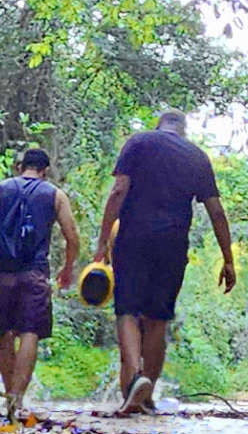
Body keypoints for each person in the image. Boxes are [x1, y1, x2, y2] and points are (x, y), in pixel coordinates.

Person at [92, 109, 236, 415]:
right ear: (183, 130)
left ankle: (136, 378)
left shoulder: (138, 142)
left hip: (133, 239)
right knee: (158, 318)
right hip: (172, 245)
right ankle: (146, 397)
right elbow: (216, 211)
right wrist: (228, 259)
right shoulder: (196, 156)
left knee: (127, 311)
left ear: (159, 125)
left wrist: (103, 240)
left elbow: (118, 191)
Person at [0, 147, 81, 419]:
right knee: (30, 332)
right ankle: (17, 398)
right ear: (45, 171)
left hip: (3, 272)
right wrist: (67, 268)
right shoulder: (55, 195)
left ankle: (9, 397)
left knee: (5, 332)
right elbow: (72, 236)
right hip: (34, 272)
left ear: (20, 167)